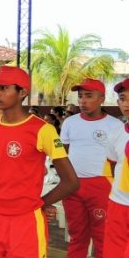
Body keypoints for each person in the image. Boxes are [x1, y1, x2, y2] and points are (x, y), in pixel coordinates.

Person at [0, 66, 79, 257]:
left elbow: (71, 182)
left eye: (4, 88)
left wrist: (41, 203)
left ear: (22, 92)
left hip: (26, 221)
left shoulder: (43, 130)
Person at [60, 78, 124, 258]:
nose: (82, 101)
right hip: (73, 186)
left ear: (102, 98)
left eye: (89, 96)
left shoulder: (115, 125)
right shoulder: (70, 123)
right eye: (80, 96)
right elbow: (62, 155)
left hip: (101, 186)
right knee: (76, 235)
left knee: (102, 236)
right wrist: (66, 181)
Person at [104, 78, 129, 257]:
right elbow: (112, 164)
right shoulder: (116, 132)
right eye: (123, 98)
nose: (127, 104)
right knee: (113, 252)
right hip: (118, 205)